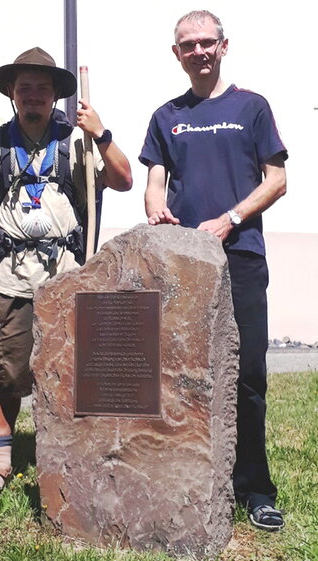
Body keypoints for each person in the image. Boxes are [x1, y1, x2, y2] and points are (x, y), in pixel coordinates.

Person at [0, 47, 132, 495]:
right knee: (5, 373)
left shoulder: (77, 140)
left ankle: (66, 455)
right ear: (12, 92)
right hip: (10, 280)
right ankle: (0, 464)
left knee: (73, 374)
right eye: (24, 87)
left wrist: (101, 134)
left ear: (55, 96)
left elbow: (123, 180)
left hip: (67, 281)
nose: (32, 96)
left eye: (42, 89)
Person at [139, 10, 286, 531]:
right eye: (188, 44)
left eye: (207, 42)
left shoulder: (252, 107)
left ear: (224, 46)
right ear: (175, 54)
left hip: (240, 259)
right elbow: (154, 179)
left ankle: (254, 489)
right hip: (183, 265)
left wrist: (230, 218)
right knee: (179, 377)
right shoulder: (166, 115)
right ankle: (186, 478)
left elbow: (276, 180)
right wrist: (155, 208)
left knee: (246, 376)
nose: (198, 51)